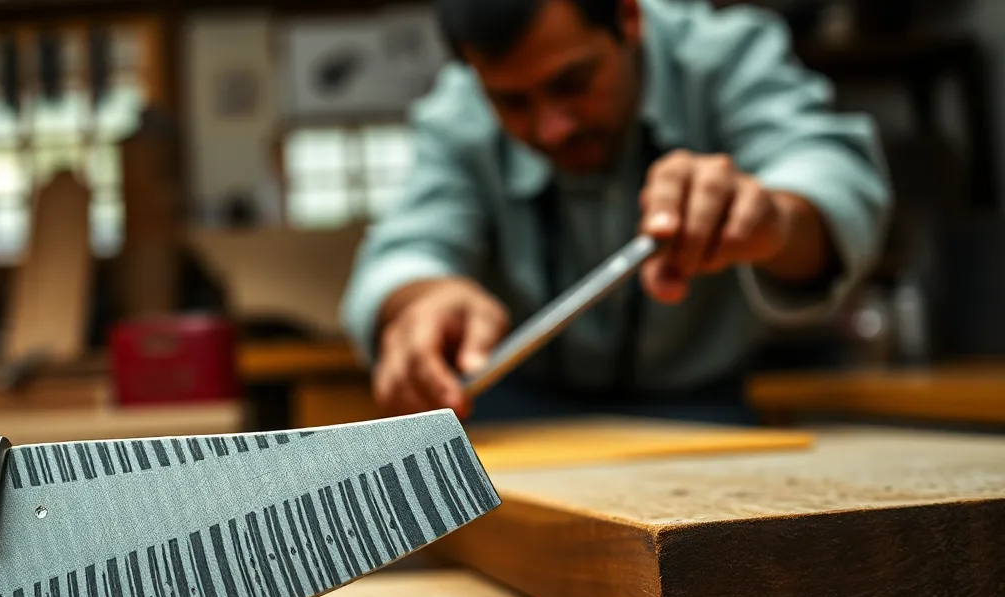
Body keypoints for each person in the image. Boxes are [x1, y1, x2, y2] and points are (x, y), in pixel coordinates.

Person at [339, 0, 892, 423]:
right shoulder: (458, 111)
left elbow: (829, 172)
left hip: (705, 407)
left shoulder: (725, 56)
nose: (551, 127)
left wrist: (773, 218)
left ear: (628, 17)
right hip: (523, 414)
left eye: (572, 83)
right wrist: (421, 299)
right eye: (513, 102)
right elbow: (408, 249)